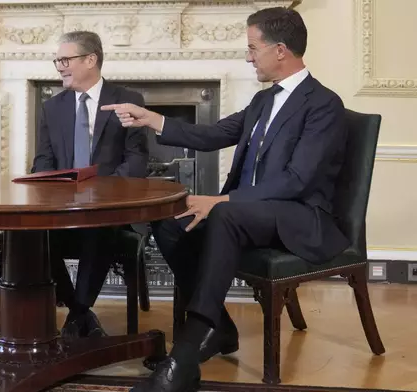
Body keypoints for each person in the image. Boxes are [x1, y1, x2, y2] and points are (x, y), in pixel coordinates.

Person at [102, 7, 350, 392]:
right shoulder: (263, 102)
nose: (248, 57)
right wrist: (151, 118)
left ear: (280, 50)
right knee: (169, 218)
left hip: (299, 217)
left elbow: (298, 181)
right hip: (250, 212)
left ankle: (183, 358)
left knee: (224, 215)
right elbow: (214, 134)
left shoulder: (324, 105)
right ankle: (220, 328)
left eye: (253, 48)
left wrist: (222, 201)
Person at [0, 30, 148, 340]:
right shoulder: (53, 108)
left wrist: (101, 193)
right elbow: (43, 161)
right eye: (58, 61)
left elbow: (135, 161)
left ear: (91, 60)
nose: (60, 66)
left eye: (65, 60)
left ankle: (77, 314)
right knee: (19, 235)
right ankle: (80, 313)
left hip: (109, 211)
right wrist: (58, 192)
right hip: (62, 209)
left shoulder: (129, 101)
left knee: (98, 228)